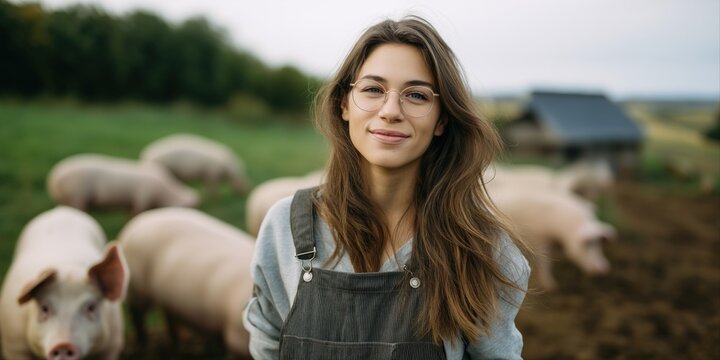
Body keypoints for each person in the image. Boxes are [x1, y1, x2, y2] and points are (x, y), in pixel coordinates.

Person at [243, 15, 531, 359]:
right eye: (373, 90)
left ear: (441, 120)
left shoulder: (482, 249)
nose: (391, 110)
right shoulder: (283, 229)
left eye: (417, 95)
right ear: (344, 104)